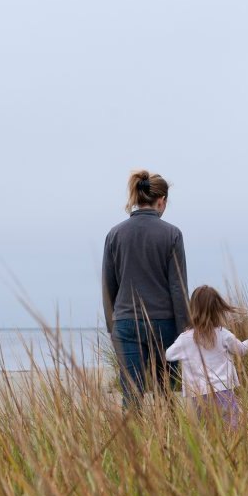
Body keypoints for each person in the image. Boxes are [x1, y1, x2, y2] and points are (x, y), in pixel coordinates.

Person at [102, 170, 189, 406]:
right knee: (166, 393)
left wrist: (112, 328)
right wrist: (186, 331)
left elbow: (109, 287)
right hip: (165, 324)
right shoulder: (172, 234)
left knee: (132, 395)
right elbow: (178, 288)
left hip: (126, 323)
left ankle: (133, 443)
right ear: (161, 201)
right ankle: (166, 441)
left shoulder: (114, 235)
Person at [165, 286, 248, 429]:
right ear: (217, 309)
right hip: (223, 392)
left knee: (206, 432)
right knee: (230, 432)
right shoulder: (223, 334)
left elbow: (169, 355)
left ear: (192, 308)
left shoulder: (185, 338)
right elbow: (241, 350)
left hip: (197, 394)